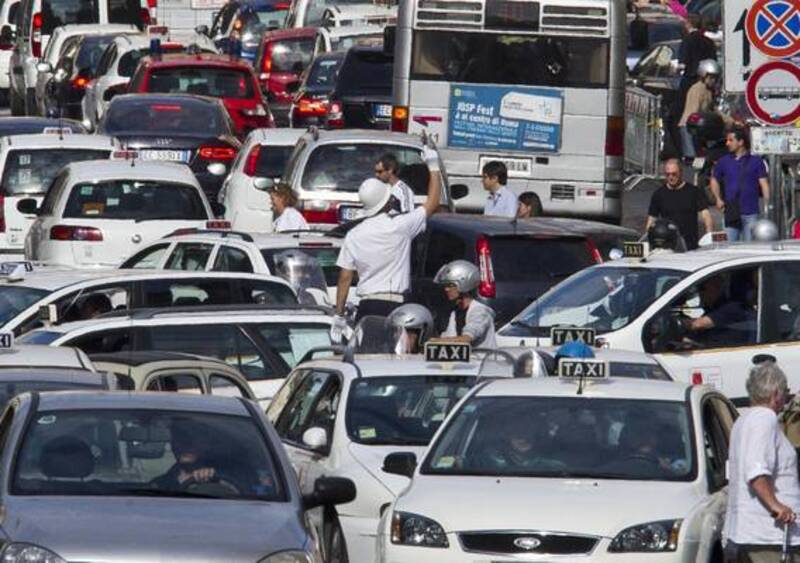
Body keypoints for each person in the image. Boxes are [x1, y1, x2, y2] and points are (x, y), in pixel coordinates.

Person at [333, 146, 442, 337]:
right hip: (395, 305)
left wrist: (339, 314)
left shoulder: (354, 234)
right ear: (387, 201)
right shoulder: (399, 226)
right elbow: (432, 203)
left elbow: (345, 277)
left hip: (366, 306)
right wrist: (433, 166)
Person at [724, 362, 800, 562]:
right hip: (766, 538)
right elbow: (756, 469)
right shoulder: (764, 419)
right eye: (785, 392)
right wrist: (776, 506)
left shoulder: (743, 421)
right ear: (776, 393)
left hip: (746, 533)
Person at [710, 128, 770, 241]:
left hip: (751, 212)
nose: (727, 143)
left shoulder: (756, 161)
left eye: (730, 140)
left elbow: (764, 184)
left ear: (741, 142)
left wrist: (768, 206)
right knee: (729, 247)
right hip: (731, 211)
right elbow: (714, 179)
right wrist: (718, 199)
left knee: (750, 249)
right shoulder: (724, 161)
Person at [646, 158, 713, 249]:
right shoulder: (659, 194)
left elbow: (706, 215)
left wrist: (709, 236)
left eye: (674, 174)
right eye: (667, 174)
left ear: (681, 172)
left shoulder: (693, 192)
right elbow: (651, 219)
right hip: (667, 245)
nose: (671, 177)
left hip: (689, 245)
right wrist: (649, 241)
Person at [434, 260, 497, 348]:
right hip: (461, 361)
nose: (446, 289)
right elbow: (450, 337)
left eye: (450, 285)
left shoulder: (480, 311)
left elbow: (467, 338)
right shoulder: (455, 313)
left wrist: (437, 341)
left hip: (482, 360)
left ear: (465, 283)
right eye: (445, 286)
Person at [680, 275, 751, 345]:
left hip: (727, 352)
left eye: (702, 288)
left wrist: (676, 323)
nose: (699, 292)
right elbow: (692, 336)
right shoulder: (712, 309)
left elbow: (697, 324)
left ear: (717, 288)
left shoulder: (731, 308)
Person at [152, 425, 220, 490]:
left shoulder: (220, 478)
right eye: (181, 439)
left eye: (194, 439)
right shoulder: (160, 483)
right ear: (173, 445)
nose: (187, 445)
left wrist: (211, 480)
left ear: (207, 445)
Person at [678, 59, 721, 160]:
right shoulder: (697, 89)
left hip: (700, 128)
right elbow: (694, 113)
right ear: (703, 76)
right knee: (693, 158)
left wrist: (730, 121)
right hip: (690, 127)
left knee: (704, 157)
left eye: (715, 78)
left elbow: (713, 110)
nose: (713, 81)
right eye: (711, 78)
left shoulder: (708, 91)